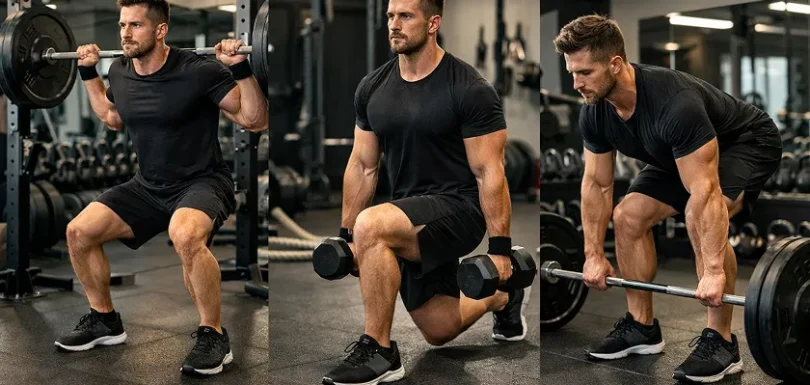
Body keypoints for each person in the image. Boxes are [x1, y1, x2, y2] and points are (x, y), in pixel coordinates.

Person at [553, 15, 781, 383]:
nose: (576, 84)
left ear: (615, 64)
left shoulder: (674, 103)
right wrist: (592, 253)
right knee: (627, 217)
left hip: (745, 142)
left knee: (698, 213)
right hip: (674, 154)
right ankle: (641, 327)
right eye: (572, 73)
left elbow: (705, 193)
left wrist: (713, 272)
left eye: (585, 73)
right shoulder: (594, 112)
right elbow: (596, 184)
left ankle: (722, 342)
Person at [319, 0, 532, 384]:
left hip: (460, 208)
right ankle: (504, 297)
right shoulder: (373, 87)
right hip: (408, 210)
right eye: (390, 16)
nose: (394, 24)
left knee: (373, 224)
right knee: (440, 328)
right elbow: (363, 165)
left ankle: (380, 350)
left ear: (433, 23)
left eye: (406, 16)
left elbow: (489, 171)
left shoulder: (469, 89)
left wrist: (499, 249)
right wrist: (346, 235)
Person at [53, 0, 269, 377]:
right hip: (148, 186)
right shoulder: (119, 70)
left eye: (135, 25)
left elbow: (255, 120)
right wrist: (88, 73)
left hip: (202, 181)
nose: (125, 33)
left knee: (185, 235)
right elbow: (112, 117)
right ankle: (104, 320)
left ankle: (213, 335)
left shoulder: (198, 70)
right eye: (123, 25)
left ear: (161, 30)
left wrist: (240, 68)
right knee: (78, 232)